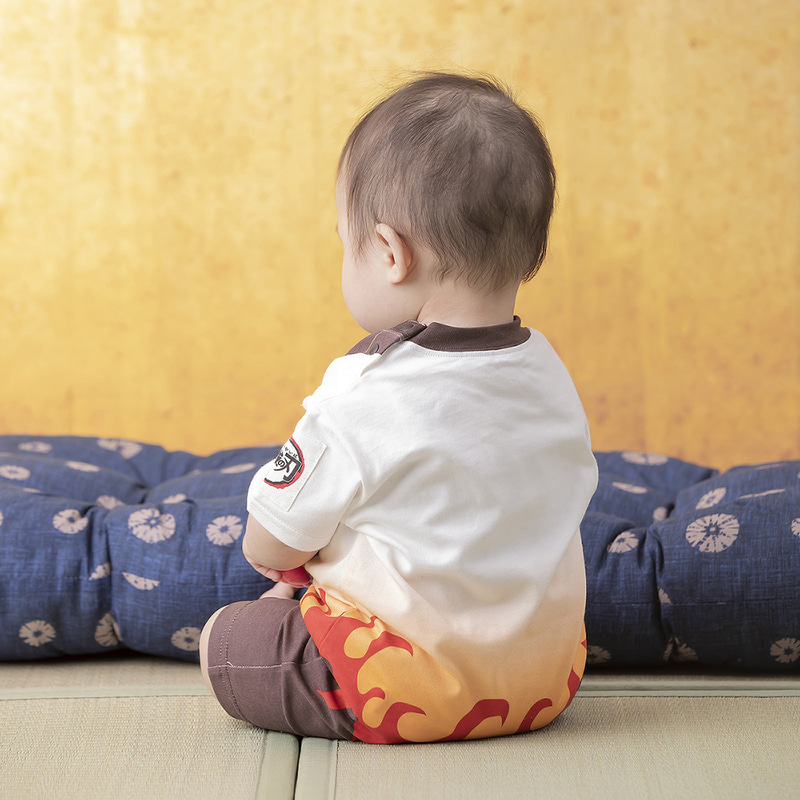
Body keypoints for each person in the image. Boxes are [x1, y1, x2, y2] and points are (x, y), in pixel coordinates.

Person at [199, 72, 598, 744]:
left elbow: (270, 540)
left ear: (390, 253)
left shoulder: (365, 389)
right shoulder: (549, 373)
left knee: (225, 639)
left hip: (399, 689)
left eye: (344, 241)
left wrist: (287, 564)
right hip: (544, 682)